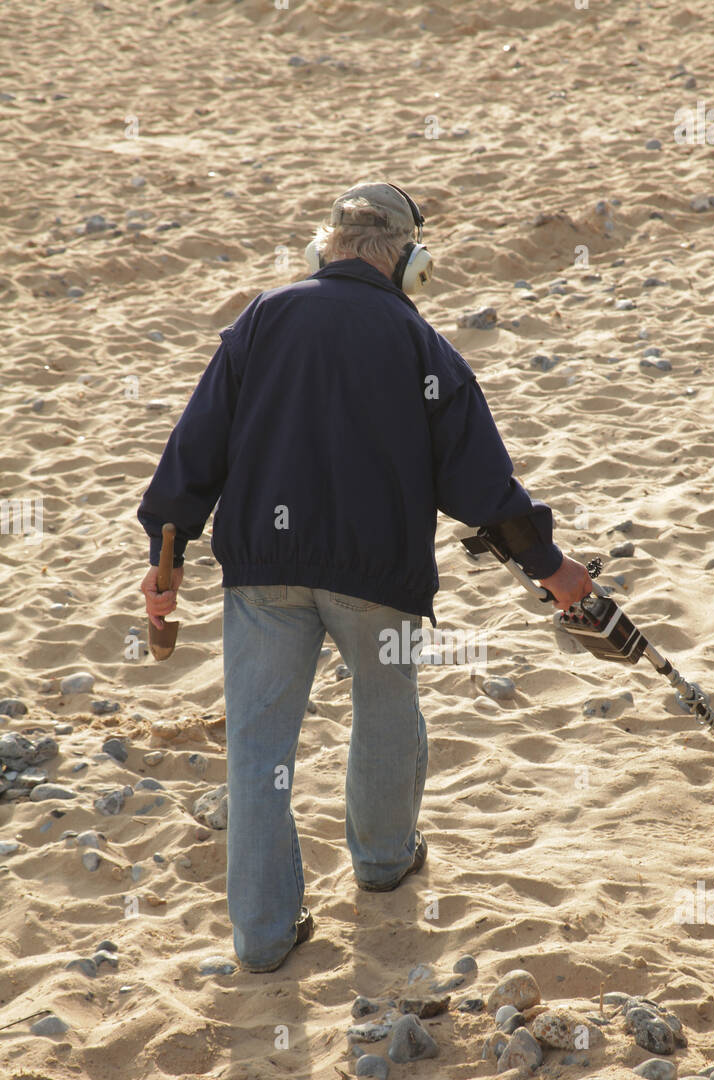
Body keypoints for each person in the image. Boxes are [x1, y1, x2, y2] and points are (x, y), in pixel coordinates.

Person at [138, 180, 592, 973]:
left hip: (263, 569)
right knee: (385, 713)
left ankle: (262, 937)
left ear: (325, 248)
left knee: (257, 747)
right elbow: (481, 486)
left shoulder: (262, 317)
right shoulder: (420, 341)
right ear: (411, 263)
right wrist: (551, 568)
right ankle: (383, 864)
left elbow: (195, 446)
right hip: (376, 574)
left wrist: (164, 555)